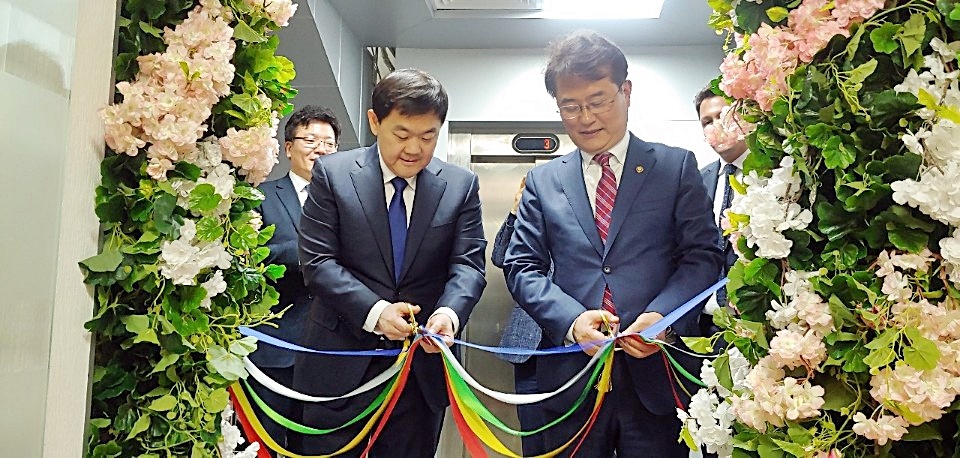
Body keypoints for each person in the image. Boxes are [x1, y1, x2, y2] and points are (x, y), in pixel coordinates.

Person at [504, 30, 722, 457]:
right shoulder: (543, 182)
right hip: (572, 379)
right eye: (570, 106)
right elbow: (522, 267)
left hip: (658, 376)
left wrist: (662, 317)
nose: (585, 118)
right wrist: (570, 320)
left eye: (598, 100)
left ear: (625, 92)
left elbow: (702, 257)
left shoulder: (675, 167)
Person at [292, 68, 487, 457]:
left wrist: (448, 314)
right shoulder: (334, 174)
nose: (414, 148)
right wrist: (376, 311)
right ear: (374, 122)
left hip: (420, 372)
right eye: (402, 134)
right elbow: (317, 261)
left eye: (428, 135)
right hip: (339, 367)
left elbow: (468, 265)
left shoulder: (459, 185)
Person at [248, 104, 341, 455]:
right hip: (275, 348)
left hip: (332, 353)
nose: (320, 148)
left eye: (329, 143)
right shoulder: (261, 196)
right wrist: (307, 256)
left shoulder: (349, 203)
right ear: (288, 148)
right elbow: (251, 256)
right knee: (265, 443)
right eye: (310, 139)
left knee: (322, 447)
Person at [491, 176, 546, 456]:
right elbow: (500, 256)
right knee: (533, 438)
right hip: (531, 349)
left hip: (580, 347)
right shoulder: (527, 223)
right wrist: (515, 211)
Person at [694, 85, 750, 337]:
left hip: (755, 324)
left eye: (724, 115)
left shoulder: (774, 174)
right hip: (703, 324)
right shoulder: (696, 181)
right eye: (707, 121)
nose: (716, 125)